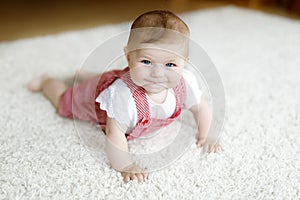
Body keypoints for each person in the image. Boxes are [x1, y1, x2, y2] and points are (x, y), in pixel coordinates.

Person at [28, 10, 222, 183]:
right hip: (94, 98)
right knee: (64, 101)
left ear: (184, 62)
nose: (157, 74)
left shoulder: (185, 82)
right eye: (146, 61)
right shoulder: (123, 96)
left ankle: (87, 74)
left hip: (119, 77)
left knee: (109, 76)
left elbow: (201, 107)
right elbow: (114, 133)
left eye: (170, 65)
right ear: (128, 57)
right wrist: (126, 165)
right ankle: (47, 81)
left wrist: (207, 135)